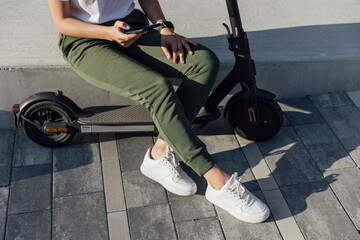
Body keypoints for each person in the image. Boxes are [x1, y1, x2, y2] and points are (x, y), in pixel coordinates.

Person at [48, 0, 270, 223]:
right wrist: (107, 33)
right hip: (86, 41)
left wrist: (164, 28)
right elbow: (63, 21)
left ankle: (160, 153)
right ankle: (215, 179)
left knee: (204, 63)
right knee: (157, 88)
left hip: (132, 27)